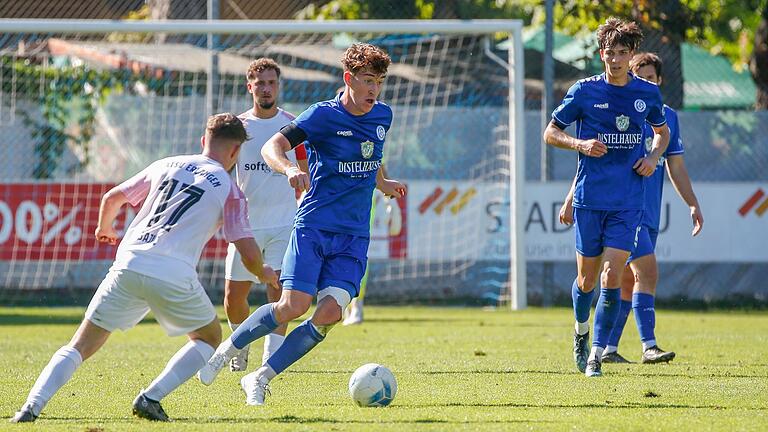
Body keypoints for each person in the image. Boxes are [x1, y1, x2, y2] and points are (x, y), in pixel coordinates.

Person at [9, 113, 278, 423]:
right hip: (172, 272)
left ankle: (30, 407)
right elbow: (246, 249)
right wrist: (262, 273)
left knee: (80, 344)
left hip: (129, 263)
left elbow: (113, 198)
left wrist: (104, 228)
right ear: (234, 152)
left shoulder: (166, 164)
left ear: (203, 141)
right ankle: (150, 398)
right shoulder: (230, 191)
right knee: (209, 337)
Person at [197, 42, 406, 405]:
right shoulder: (321, 116)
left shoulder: (382, 116)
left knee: (328, 314)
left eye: (380, 81)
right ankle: (227, 349)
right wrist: (291, 168)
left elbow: (371, 156)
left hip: (354, 235)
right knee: (292, 307)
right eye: (368, 80)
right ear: (349, 79)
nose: (374, 89)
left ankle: (260, 377)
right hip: (313, 226)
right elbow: (270, 148)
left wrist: (382, 182)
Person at [543, 17, 670, 378]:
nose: (614, 59)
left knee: (613, 273)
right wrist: (579, 143)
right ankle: (581, 332)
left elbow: (661, 134)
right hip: (589, 199)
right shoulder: (584, 91)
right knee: (586, 280)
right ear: (601, 54)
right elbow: (550, 132)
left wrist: (652, 156)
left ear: (631, 56)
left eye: (621, 53)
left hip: (629, 201)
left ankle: (597, 354)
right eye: (609, 53)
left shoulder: (647, 93)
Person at [559, 52, 704, 364]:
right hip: (623, 204)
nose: (647, 82)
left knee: (624, 279)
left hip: (647, 211)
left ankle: (607, 348)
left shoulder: (667, 118)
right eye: (643, 76)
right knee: (643, 272)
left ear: (659, 82)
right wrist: (572, 195)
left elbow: (675, 166)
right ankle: (643, 345)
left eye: (652, 77)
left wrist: (691, 203)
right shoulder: (615, 106)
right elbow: (593, 162)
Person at [224, 58, 308, 372]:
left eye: (272, 82)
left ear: (278, 86)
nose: (266, 88)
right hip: (245, 227)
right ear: (250, 87)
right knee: (234, 299)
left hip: (284, 224)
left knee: (278, 295)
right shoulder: (238, 127)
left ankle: (268, 363)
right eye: (260, 83)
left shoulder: (292, 124)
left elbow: (305, 169)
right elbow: (222, 168)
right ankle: (240, 346)